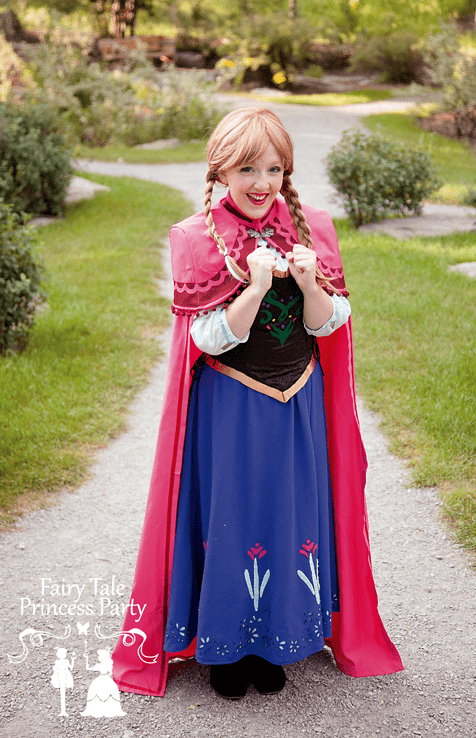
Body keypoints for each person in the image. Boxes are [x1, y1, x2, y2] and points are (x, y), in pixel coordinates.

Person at [112, 107, 403, 700]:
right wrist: (257, 287)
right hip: (231, 411)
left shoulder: (312, 228)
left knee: (288, 516)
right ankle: (225, 648)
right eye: (247, 168)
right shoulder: (196, 237)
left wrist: (312, 284)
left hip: (296, 407)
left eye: (273, 168)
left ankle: (276, 642)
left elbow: (329, 328)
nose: (261, 182)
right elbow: (207, 339)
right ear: (220, 170)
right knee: (233, 520)